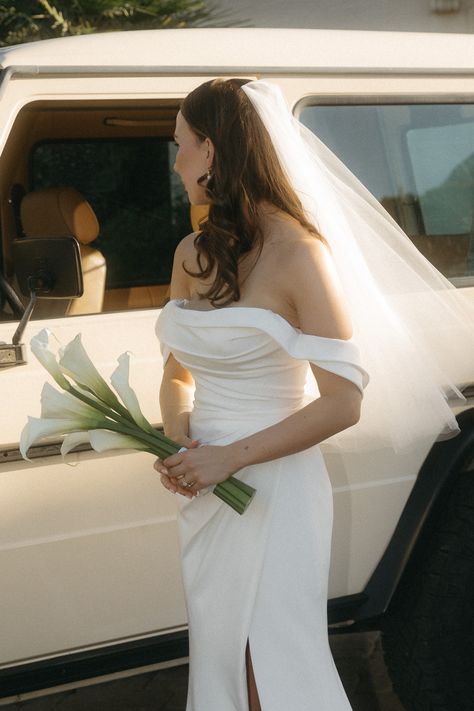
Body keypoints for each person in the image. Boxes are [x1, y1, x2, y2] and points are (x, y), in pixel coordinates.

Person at [154, 78, 474, 711]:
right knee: (223, 655)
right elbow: (176, 374)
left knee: (273, 657)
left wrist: (232, 457)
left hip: (277, 488)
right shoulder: (192, 253)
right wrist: (176, 437)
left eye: (181, 143)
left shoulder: (301, 255)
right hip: (209, 489)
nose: (177, 159)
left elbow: (341, 401)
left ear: (212, 151)